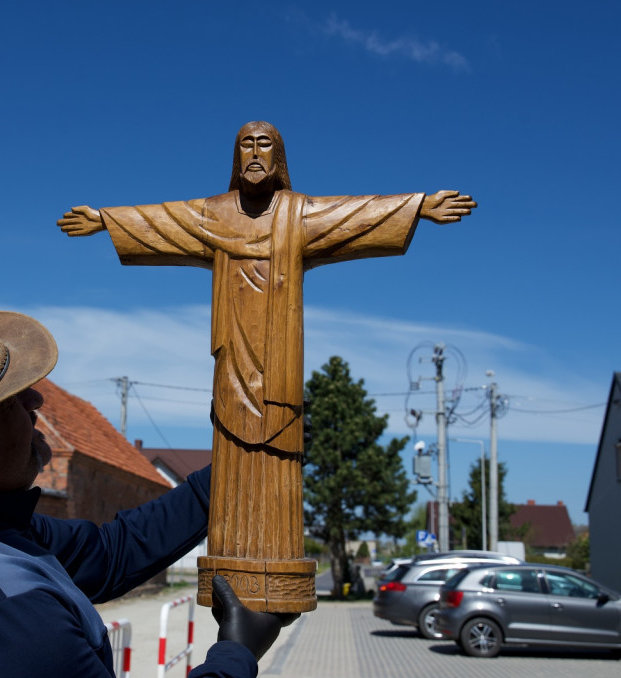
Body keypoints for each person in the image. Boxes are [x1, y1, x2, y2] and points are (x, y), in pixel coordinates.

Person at [58, 121, 477, 602]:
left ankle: (277, 564)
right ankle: (233, 561)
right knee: (233, 453)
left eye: (265, 144)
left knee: (278, 452)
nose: (255, 153)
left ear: (279, 158)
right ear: (235, 158)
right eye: (246, 144)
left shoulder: (298, 215)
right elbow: (162, 220)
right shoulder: (211, 215)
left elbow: (353, 215)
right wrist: (107, 220)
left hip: (279, 366)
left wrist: (418, 206)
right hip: (233, 364)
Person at [0, 311, 289, 678]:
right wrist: (236, 655)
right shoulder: (14, 619)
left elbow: (113, 551)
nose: (35, 400)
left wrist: (237, 465)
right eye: (8, 401)